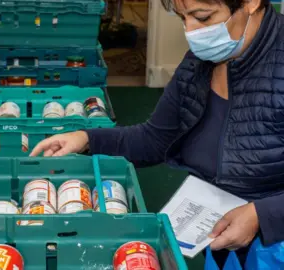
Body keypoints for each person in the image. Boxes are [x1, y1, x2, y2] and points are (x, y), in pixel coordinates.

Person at [30, 0, 284, 266]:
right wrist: (88, 139)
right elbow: (155, 139)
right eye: (182, 18)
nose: (192, 32)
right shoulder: (201, 63)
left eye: (203, 17)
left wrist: (261, 215)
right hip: (224, 230)